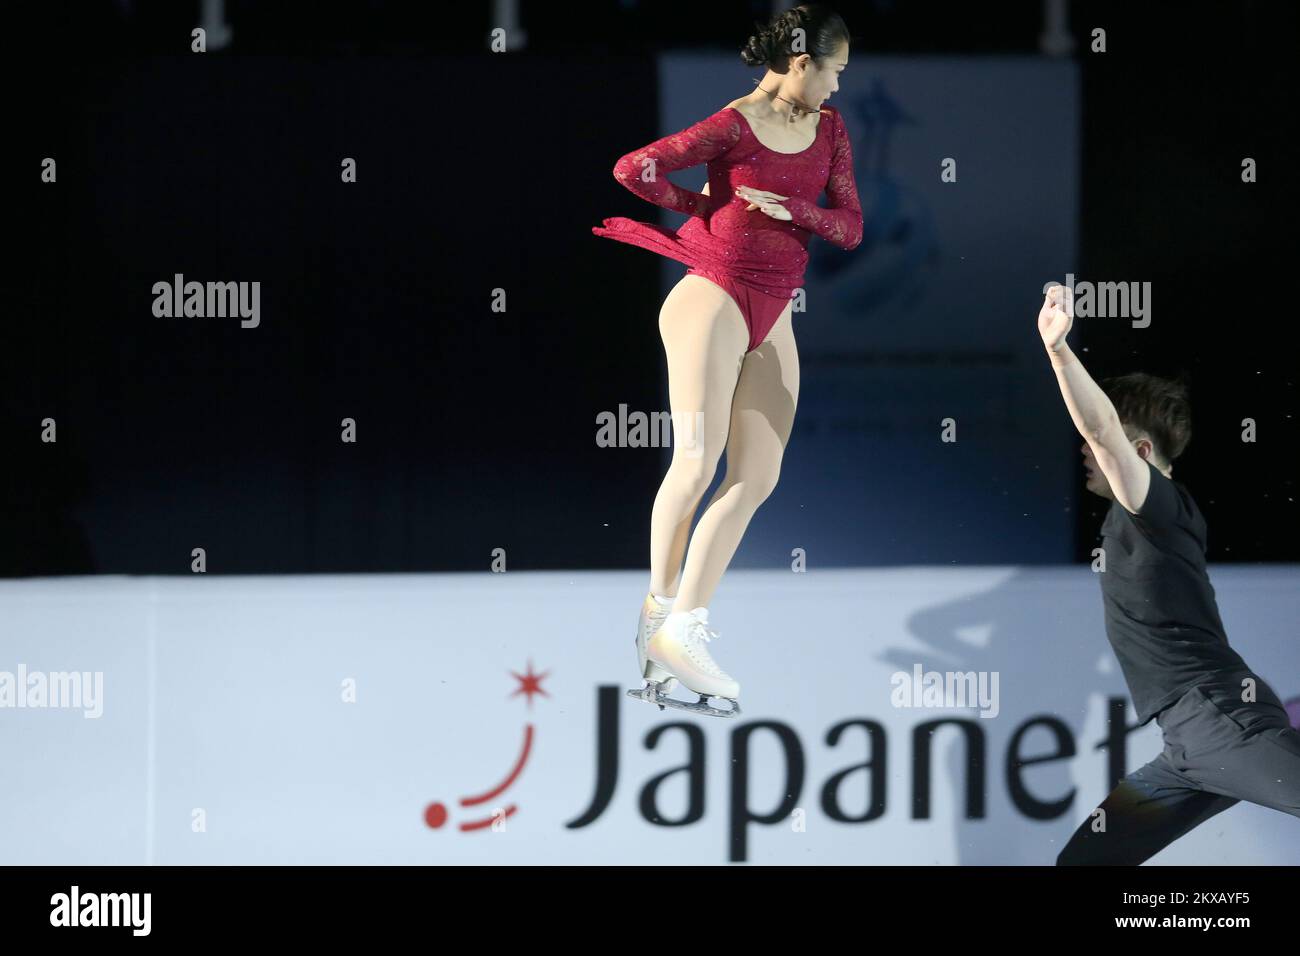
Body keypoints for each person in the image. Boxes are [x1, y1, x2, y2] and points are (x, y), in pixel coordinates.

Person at [592, 4, 862, 717]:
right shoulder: (734, 124)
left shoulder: (829, 130)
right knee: (697, 459)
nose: (837, 87)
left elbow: (851, 226)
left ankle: (686, 624)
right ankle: (660, 615)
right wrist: (700, 206)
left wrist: (791, 213)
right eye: (834, 71)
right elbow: (632, 168)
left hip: (775, 310)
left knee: (757, 477)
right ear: (803, 62)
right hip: (710, 294)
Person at [1038, 282, 1300, 864]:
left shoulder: (1161, 506)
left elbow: (1104, 432)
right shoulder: (1134, 516)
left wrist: (1059, 352)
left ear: (1142, 448)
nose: (1083, 448)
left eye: (1095, 441)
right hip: (1186, 748)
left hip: (1221, 721)